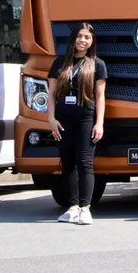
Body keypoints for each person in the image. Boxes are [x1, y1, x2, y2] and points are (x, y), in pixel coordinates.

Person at [47, 22, 107, 225]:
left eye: (87, 37)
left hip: (85, 117)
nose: (83, 40)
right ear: (73, 38)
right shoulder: (60, 63)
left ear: (92, 42)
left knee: (84, 162)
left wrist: (99, 123)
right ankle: (72, 208)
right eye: (80, 36)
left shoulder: (97, 64)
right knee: (68, 163)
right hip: (63, 118)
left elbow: (100, 96)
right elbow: (52, 94)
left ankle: (85, 208)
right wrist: (51, 119)